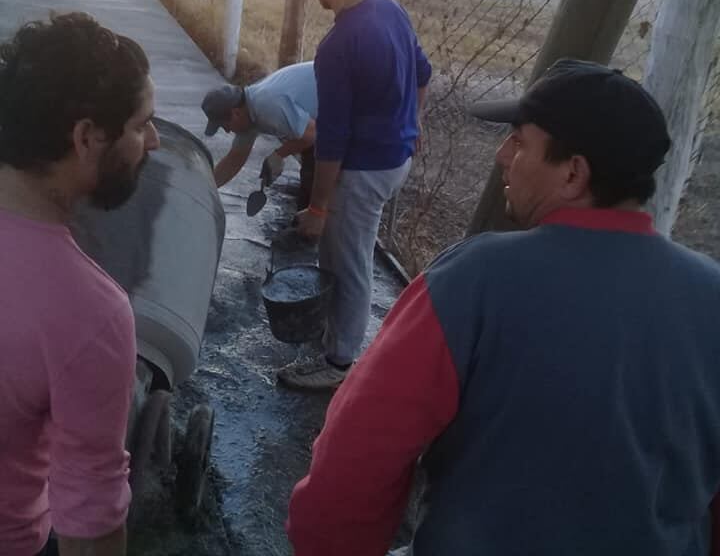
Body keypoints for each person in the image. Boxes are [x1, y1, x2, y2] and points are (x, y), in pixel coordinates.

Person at [286, 59, 720, 556]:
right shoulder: (712, 295)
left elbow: (355, 463)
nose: (500, 156)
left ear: (573, 173)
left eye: (519, 141)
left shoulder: (474, 283)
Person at [0, 13, 160, 556]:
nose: (154, 141)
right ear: (87, 137)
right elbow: (89, 524)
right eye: (142, 125)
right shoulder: (90, 313)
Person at [281, 0, 432, 391]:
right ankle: (335, 336)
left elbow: (333, 137)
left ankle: (340, 362)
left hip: (365, 169)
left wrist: (319, 208)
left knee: (349, 261)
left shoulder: (338, 44)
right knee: (346, 252)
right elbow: (423, 74)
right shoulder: (389, 8)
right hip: (395, 157)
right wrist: (414, 122)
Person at [201, 61, 317, 206]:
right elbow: (234, 159)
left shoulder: (266, 106)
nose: (227, 131)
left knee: (324, 179)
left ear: (236, 113)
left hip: (343, 94)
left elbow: (313, 134)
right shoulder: (248, 112)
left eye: (225, 126)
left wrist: (279, 154)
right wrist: (204, 192)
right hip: (320, 112)